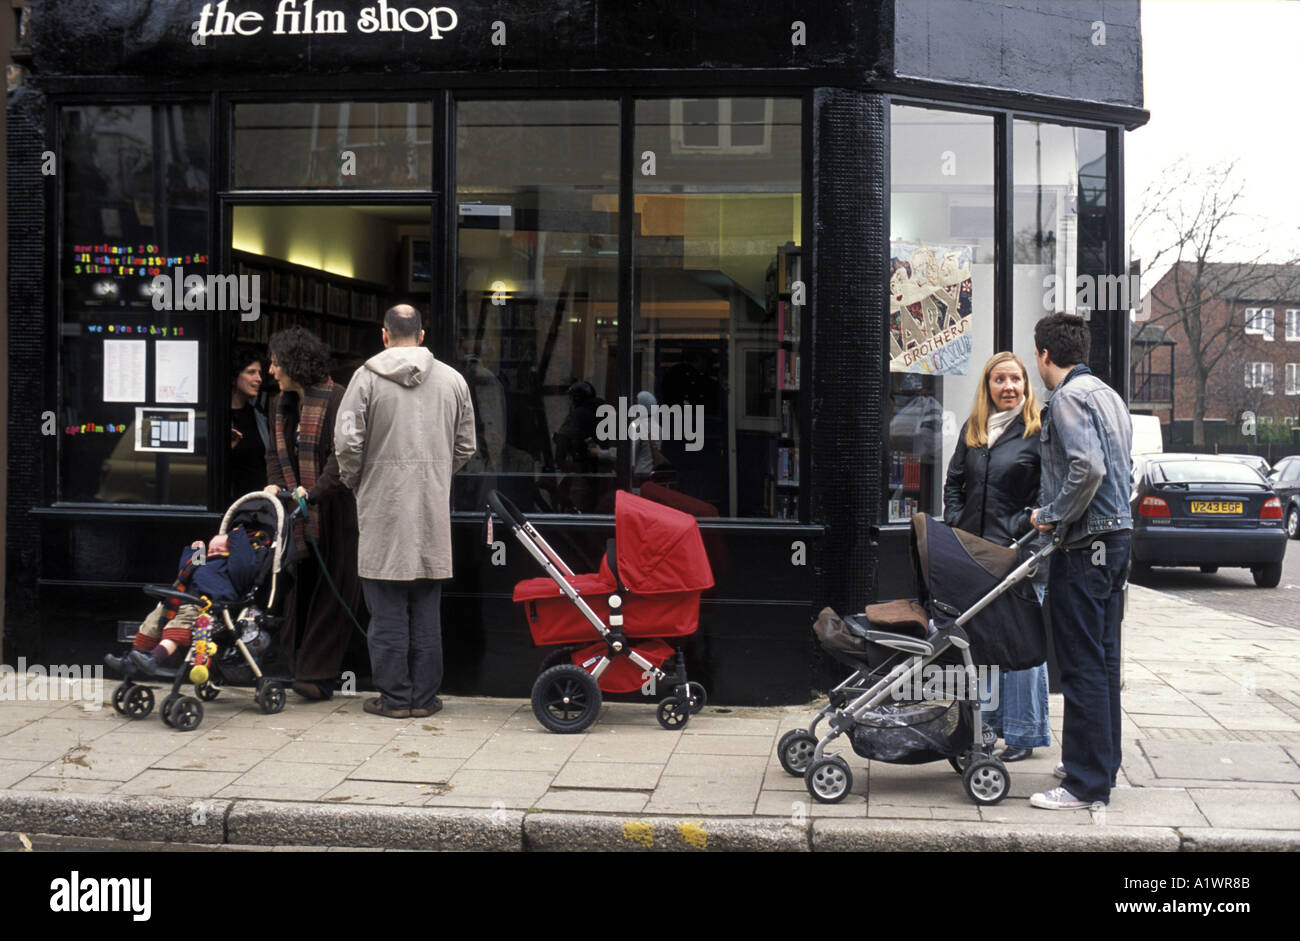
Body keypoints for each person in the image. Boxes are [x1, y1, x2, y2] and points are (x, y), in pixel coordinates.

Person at [335, 305, 476, 718]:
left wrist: (357, 481)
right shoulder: (453, 380)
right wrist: (435, 475)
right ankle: (424, 698)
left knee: (387, 610)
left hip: (382, 508)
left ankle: (395, 698)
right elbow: (466, 445)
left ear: (384, 335)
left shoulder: (363, 380)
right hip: (431, 507)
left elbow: (346, 445)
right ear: (422, 334)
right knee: (427, 610)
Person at [1028, 313, 1133, 810]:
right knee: (1105, 659)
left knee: (1081, 663)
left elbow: (1087, 467)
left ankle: (1084, 783)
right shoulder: (1108, 395)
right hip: (1116, 542)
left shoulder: (1067, 397)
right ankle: (1100, 764)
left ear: (1044, 355)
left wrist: (1051, 515)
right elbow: (1119, 468)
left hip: (1084, 544)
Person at [943, 352, 1050, 762]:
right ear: (987, 387)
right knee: (987, 644)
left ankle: (1024, 734)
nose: (1008, 387)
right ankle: (989, 727)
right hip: (975, 553)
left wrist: (1021, 536)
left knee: (1020, 642)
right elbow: (954, 482)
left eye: (1016, 379)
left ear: (1026, 385)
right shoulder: (975, 430)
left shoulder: (1038, 431)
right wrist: (957, 522)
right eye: (999, 380)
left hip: (1017, 555)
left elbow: (1047, 497)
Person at [262, 326, 363, 702]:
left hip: (337, 513)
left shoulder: (338, 399)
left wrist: (315, 492)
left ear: (294, 364)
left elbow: (344, 455)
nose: (271, 371)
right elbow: (274, 453)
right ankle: (293, 667)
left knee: (334, 594)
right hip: (296, 516)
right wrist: (276, 486)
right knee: (295, 591)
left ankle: (316, 675)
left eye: (275, 363)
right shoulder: (280, 404)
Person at [229, 346, 268, 502]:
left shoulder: (259, 415)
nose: (259, 378)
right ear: (235, 376)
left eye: (259, 373)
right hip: (231, 502)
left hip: (260, 501)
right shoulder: (219, 418)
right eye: (251, 372)